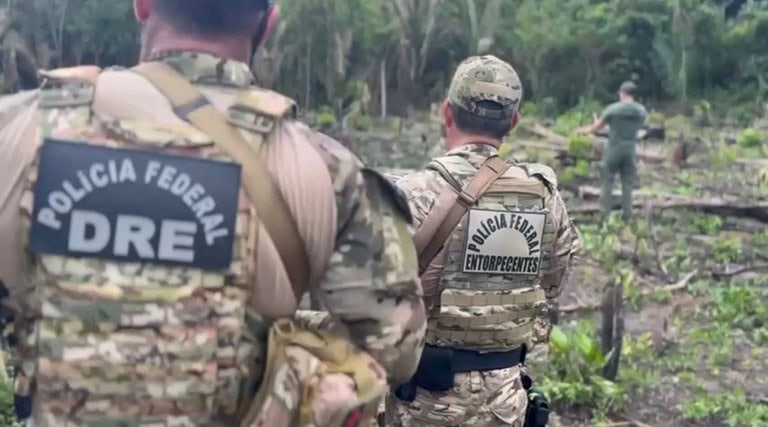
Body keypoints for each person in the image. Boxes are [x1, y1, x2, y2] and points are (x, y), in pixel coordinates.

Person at [0, 0, 427, 426]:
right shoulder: (324, 171)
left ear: (142, 5)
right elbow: (396, 347)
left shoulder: (16, 131)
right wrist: (280, 337)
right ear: (268, 23)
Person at [385, 55, 580, 427]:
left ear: (446, 112)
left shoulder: (410, 195)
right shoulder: (545, 198)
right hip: (504, 406)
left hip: (423, 402)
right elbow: (554, 283)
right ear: (514, 122)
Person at [577, 81, 647, 220]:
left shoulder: (612, 109)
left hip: (614, 149)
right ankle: (627, 215)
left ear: (622, 93)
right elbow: (638, 126)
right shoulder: (641, 111)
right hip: (630, 150)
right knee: (627, 185)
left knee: (607, 181)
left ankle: (605, 215)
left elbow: (596, 128)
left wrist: (582, 131)